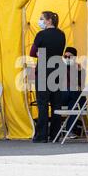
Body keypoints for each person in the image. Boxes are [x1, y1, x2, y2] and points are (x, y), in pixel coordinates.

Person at [30, 11, 66, 143]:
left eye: (41, 19)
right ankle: (55, 135)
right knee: (56, 104)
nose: (40, 21)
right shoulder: (61, 34)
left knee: (43, 104)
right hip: (57, 69)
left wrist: (41, 53)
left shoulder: (41, 35)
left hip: (44, 70)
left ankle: (41, 135)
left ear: (49, 20)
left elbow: (32, 52)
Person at [61, 47, 85, 139]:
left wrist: (79, 71)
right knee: (78, 97)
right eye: (65, 56)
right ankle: (70, 130)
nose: (67, 58)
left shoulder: (77, 67)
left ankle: (69, 130)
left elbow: (81, 83)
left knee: (75, 103)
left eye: (69, 56)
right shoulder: (59, 66)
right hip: (60, 97)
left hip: (70, 96)